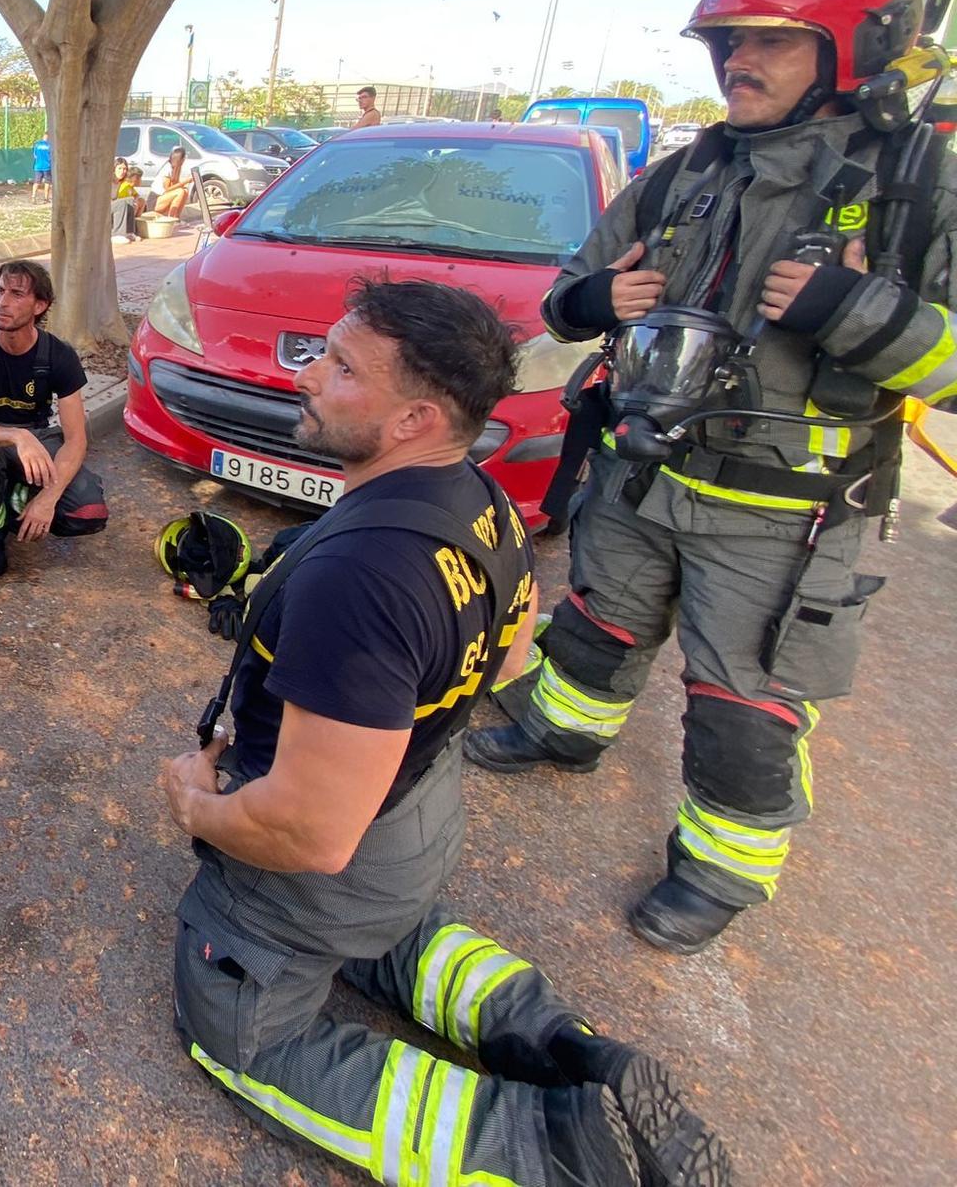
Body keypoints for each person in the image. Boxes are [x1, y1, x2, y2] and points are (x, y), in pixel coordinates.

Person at [161, 279, 729, 1187]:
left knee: (241, 1032)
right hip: (417, 822)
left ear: (414, 418)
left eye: (342, 367)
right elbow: (506, 662)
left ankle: (547, 1145)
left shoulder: (363, 579)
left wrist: (197, 802)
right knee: (388, 930)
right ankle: (562, 1046)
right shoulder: (482, 500)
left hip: (331, 863)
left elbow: (310, 833)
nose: (308, 374)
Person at [466, 0, 957, 954]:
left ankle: (720, 868)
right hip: (643, 472)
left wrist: (853, 312)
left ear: (855, 49)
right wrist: (595, 297)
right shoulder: (686, 172)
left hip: (784, 508)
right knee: (598, 621)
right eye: (725, 40)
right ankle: (564, 729)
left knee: (744, 700)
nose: (736, 59)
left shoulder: (919, 186)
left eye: (771, 41)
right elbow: (567, 292)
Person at [0, 260, 108, 576]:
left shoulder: (60, 355)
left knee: (89, 512)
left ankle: (14, 499)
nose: (3, 302)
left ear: (39, 305)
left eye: (17, 294)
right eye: (1, 290)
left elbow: (75, 440)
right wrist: (19, 436)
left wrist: (48, 498)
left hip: (35, 440)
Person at [152, 144, 200, 218]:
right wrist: (185, 181)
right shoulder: (167, 168)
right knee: (180, 192)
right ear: (181, 159)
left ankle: (177, 217)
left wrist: (185, 184)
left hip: (164, 198)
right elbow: (167, 189)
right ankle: (172, 217)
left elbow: (175, 185)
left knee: (185, 191)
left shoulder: (177, 168)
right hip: (155, 200)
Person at [31, 131, 51, 199]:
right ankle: (46, 198)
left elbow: (35, 156)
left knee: (36, 182)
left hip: (38, 166)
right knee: (47, 182)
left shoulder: (37, 144)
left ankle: (33, 196)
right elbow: (51, 156)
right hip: (47, 166)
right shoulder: (50, 145)